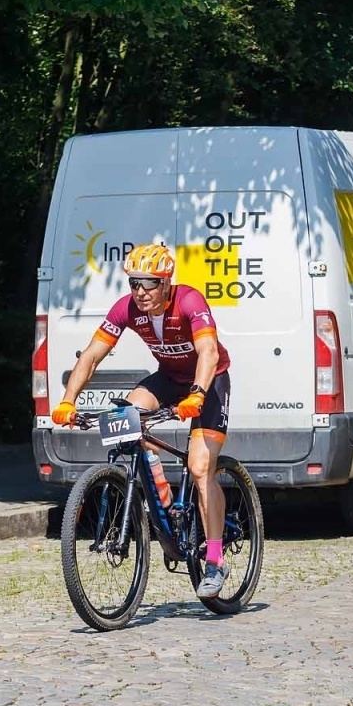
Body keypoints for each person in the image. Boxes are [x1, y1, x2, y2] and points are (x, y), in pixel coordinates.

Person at [51, 243, 236, 598]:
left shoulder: (189, 302)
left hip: (209, 382)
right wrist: (67, 401)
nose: (140, 291)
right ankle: (165, 505)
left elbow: (208, 352)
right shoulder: (127, 309)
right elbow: (91, 356)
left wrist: (197, 393)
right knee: (127, 415)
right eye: (134, 283)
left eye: (148, 284)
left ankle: (214, 560)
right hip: (167, 377)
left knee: (199, 469)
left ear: (166, 283)